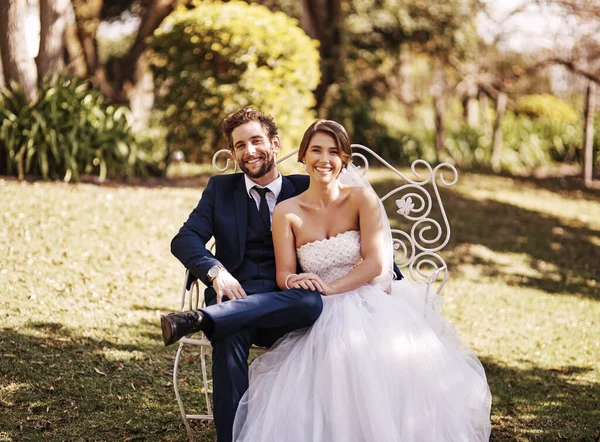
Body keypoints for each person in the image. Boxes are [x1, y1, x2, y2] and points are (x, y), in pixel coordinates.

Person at [231, 120, 493, 442]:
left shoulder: (361, 200)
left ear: (344, 159)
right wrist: (297, 279)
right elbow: (283, 273)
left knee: (359, 349)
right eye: (316, 150)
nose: (324, 159)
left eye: (333, 152)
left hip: (366, 298)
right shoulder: (286, 211)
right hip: (314, 306)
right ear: (303, 155)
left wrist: (332, 288)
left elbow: (374, 263)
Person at [161, 108, 324, 442]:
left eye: (256, 141)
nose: (248, 151)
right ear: (233, 152)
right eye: (239, 145)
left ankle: (204, 318)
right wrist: (216, 272)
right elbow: (185, 239)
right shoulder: (221, 189)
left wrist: (390, 273)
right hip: (233, 296)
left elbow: (353, 229)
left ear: (275, 144)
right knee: (230, 334)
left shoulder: (306, 187)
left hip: (289, 302)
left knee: (312, 303)